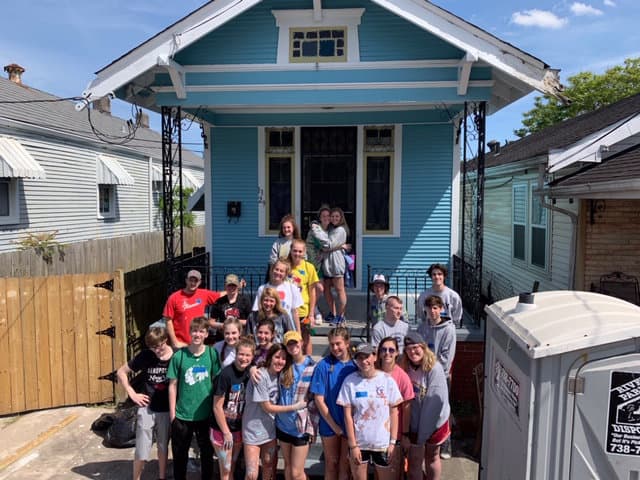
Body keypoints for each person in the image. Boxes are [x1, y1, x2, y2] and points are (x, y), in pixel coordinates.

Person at [337, 343, 403, 480]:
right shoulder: (349, 382)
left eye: (366, 356)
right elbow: (348, 416)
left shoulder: (387, 381)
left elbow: (394, 413)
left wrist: (392, 442)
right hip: (359, 444)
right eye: (359, 358)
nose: (364, 361)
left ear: (374, 356)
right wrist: (353, 445)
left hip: (383, 444)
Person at [167, 316, 221, 480]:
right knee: (180, 454)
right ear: (190, 333)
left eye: (201, 331)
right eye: (195, 331)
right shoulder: (179, 356)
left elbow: (216, 382)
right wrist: (172, 416)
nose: (197, 334)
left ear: (206, 334)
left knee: (206, 453)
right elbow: (172, 385)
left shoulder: (212, 354)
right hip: (183, 414)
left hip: (205, 414)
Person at [243, 344, 307, 480]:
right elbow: (267, 407)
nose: (280, 361)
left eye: (284, 358)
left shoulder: (280, 376)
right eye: (277, 357)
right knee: (251, 474)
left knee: (269, 467)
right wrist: (295, 407)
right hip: (252, 430)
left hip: (270, 431)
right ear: (270, 357)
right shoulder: (261, 376)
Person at [116, 326, 173, 480]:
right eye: (153, 347)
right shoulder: (146, 355)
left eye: (159, 346)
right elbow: (121, 372)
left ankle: (162, 476)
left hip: (166, 409)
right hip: (146, 407)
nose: (157, 350)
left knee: (163, 445)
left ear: (165, 340)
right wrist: (132, 393)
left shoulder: (176, 355)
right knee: (142, 447)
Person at [400, 332, 450, 480]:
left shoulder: (434, 368)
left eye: (416, 347)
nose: (412, 352)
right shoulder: (404, 366)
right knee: (415, 461)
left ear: (423, 347)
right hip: (414, 423)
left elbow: (433, 406)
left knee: (432, 456)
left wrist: (421, 438)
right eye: (408, 349)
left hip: (435, 423)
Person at [310, 326, 357, 480]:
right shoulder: (323, 365)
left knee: (345, 464)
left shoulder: (356, 365)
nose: (335, 348)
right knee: (331, 463)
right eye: (331, 344)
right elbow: (318, 399)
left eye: (338, 343)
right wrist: (335, 426)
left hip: (350, 423)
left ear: (347, 343)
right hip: (329, 422)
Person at [417, 295, 456, 460]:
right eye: (429, 308)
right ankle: (427, 439)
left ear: (441, 309)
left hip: (441, 376)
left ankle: (446, 443)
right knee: (423, 408)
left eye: (435, 308)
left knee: (442, 409)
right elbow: (417, 350)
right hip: (422, 376)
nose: (432, 312)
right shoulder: (421, 328)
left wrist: (430, 367)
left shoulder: (449, 329)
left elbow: (446, 358)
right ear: (425, 309)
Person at [211, 336, 255, 480]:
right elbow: (217, 406)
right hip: (222, 429)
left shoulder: (250, 373)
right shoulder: (225, 375)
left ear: (252, 356)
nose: (244, 358)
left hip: (238, 428)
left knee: (233, 465)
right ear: (235, 354)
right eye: (241, 354)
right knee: (225, 468)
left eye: (248, 355)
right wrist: (226, 432)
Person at [276, 331, 317, 480]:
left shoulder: (312, 366)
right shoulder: (284, 365)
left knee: (296, 472)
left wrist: (313, 426)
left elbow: (315, 399)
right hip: (283, 423)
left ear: (301, 343)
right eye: (289, 344)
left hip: (301, 426)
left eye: (295, 342)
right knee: (287, 466)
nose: (293, 346)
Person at [375, 337, 415, 480]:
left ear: (397, 353)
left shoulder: (402, 377)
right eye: (384, 350)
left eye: (391, 350)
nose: (387, 353)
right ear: (379, 353)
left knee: (392, 474)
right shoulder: (372, 372)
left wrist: (404, 435)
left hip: (393, 435)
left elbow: (407, 407)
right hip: (374, 435)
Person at [163, 269, 225, 349]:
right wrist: (175, 342)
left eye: (195, 281)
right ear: (186, 280)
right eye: (190, 280)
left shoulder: (203, 294)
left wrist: (238, 287)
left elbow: (220, 295)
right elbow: (168, 320)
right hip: (180, 343)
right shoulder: (174, 297)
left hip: (198, 343)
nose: (193, 283)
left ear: (199, 282)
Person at [312, 207, 349, 325]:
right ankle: (333, 313)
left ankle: (341, 315)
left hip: (336, 263)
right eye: (332, 216)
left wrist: (316, 230)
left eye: (337, 216)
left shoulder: (341, 230)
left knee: (340, 290)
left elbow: (328, 245)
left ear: (341, 217)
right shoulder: (331, 229)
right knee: (326, 290)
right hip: (327, 264)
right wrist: (340, 246)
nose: (334, 218)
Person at [288, 238, 320, 356]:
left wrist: (312, 314)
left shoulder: (309, 267)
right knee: (290, 340)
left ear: (304, 252)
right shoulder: (286, 267)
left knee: (306, 339)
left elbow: (312, 292)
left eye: (300, 251)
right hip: (287, 311)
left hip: (303, 311)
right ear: (290, 251)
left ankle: (308, 363)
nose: (297, 254)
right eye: (295, 251)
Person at [253, 259, 303, 333]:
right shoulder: (262, 288)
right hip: (266, 329)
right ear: (272, 269)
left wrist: (298, 333)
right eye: (276, 269)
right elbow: (257, 310)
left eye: (281, 271)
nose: (278, 272)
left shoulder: (292, 288)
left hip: (286, 328)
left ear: (285, 274)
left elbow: (295, 312)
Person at [416, 263, 463, 328]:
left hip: (447, 331)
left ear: (444, 276)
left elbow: (457, 316)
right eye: (434, 274)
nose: (437, 277)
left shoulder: (453, 296)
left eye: (439, 274)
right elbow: (421, 315)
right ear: (431, 277)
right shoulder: (424, 296)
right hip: (429, 330)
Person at [209, 274, 252, 343]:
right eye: (229, 285)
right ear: (225, 286)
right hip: (222, 338)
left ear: (238, 286)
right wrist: (223, 325)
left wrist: (236, 321)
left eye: (234, 285)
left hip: (240, 338)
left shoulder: (245, 300)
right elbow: (211, 322)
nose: (231, 288)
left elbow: (250, 320)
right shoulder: (219, 302)